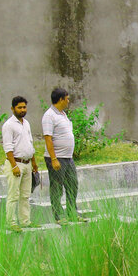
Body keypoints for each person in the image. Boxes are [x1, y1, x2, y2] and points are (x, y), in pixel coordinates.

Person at [41, 86, 80, 224]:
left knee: (73, 184)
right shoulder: (49, 116)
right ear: (60, 99)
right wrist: (53, 158)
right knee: (57, 187)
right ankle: (58, 216)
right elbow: (48, 138)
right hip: (57, 158)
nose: (68, 101)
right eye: (67, 99)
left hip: (68, 158)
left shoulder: (63, 114)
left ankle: (72, 212)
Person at [1, 95, 38, 230]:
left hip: (27, 163)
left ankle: (25, 221)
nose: (22, 110)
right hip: (16, 164)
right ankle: (11, 223)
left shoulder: (26, 123)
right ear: (13, 109)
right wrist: (14, 166)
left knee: (25, 195)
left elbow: (30, 143)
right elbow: (8, 147)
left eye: (24, 107)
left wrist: (34, 162)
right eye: (19, 107)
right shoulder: (8, 125)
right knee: (13, 195)